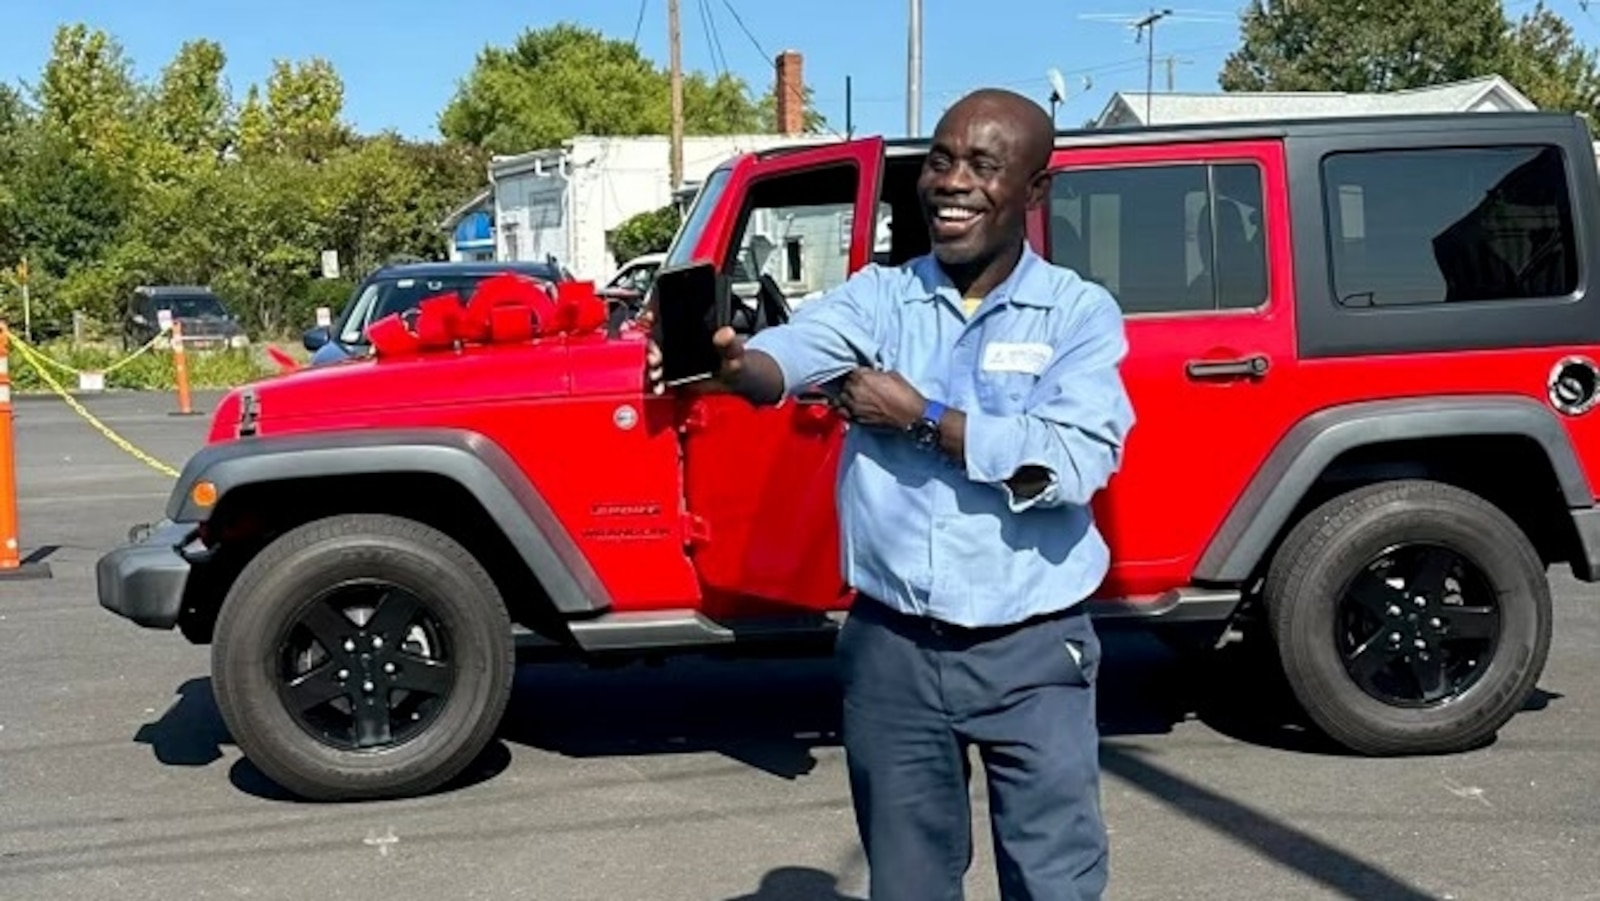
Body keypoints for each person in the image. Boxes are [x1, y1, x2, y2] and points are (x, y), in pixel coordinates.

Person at [645, 88, 1134, 901]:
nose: (953, 182)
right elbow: (789, 357)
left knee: (1056, 881)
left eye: (984, 165)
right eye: (942, 160)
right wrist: (732, 369)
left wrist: (925, 419)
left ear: (1035, 190)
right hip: (894, 654)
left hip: (1035, 650)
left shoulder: (1077, 315)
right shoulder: (881, 297)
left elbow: (1074, 460)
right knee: (908, 885)